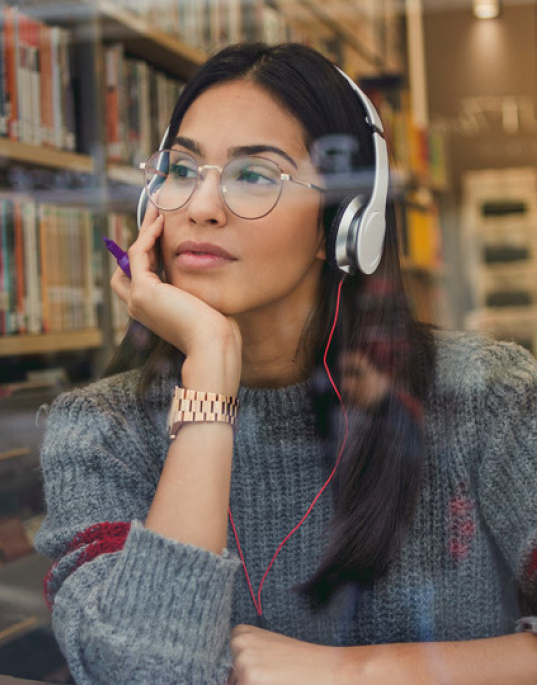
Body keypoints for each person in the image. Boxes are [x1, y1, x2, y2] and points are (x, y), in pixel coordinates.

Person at [35, 42, 537, 684]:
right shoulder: (97, 431)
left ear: (345, 224)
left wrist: (353, 674)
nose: (200, 206)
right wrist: (212, 367)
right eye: (182, 169)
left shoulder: (486, 395)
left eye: (254, 175)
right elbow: (140, 675)